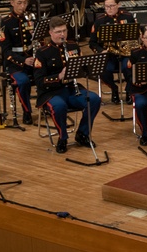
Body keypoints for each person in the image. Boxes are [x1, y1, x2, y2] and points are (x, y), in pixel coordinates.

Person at [34, 17, 103, 154]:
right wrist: (58, 76)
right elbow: (39, 81)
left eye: (64, 31)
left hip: (72, 89)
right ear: (51, 33)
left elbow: (83, 68)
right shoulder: (42, 52)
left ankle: (82, 134)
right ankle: (62, 138)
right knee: (59, 106)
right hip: (51, 92)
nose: (62, 35)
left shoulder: (73, 46)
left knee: (94, 99)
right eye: (58, 32)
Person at [0, 0, 37, 124]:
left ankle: (47, 104)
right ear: (12, 3)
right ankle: (27, 111)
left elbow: (38, 41)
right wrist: (23, 60)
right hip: (15, 63)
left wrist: (34, 34)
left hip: (32, 58)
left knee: (49, 72)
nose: (23, 6)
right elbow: (6, 51)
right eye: (19, 3)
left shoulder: (31, 18)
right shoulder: (6, 23)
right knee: (23, 81)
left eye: (25, 3)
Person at [89, 0, 136, 105]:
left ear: (118, 5)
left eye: (112, 6)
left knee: (129, 68)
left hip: (125, 54)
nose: (109, 9)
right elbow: (92, 42)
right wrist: (101, 51)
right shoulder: (100, 20)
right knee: (103, 71)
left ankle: (129, 91)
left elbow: (135, 37)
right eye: (106, 6)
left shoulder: (128, 17)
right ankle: (114, 89)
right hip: (109, 55)